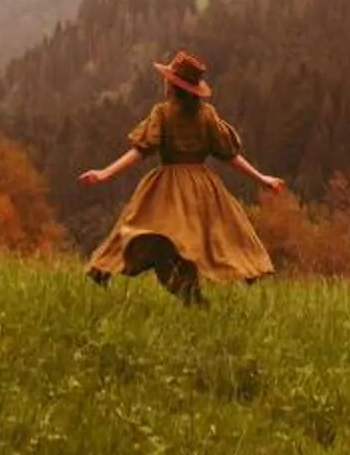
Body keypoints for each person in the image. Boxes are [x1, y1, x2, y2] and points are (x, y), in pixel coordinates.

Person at [79, 49, 283, 305]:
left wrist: (104, 173)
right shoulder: (207, 115)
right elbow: (229, 154)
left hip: (169, 188)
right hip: (203, 189)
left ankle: (106, 268)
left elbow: (140, 150)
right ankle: (190, 295)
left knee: (137, 226)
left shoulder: (163, 113)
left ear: (173, 85)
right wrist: (261, 178)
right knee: (200, 242)